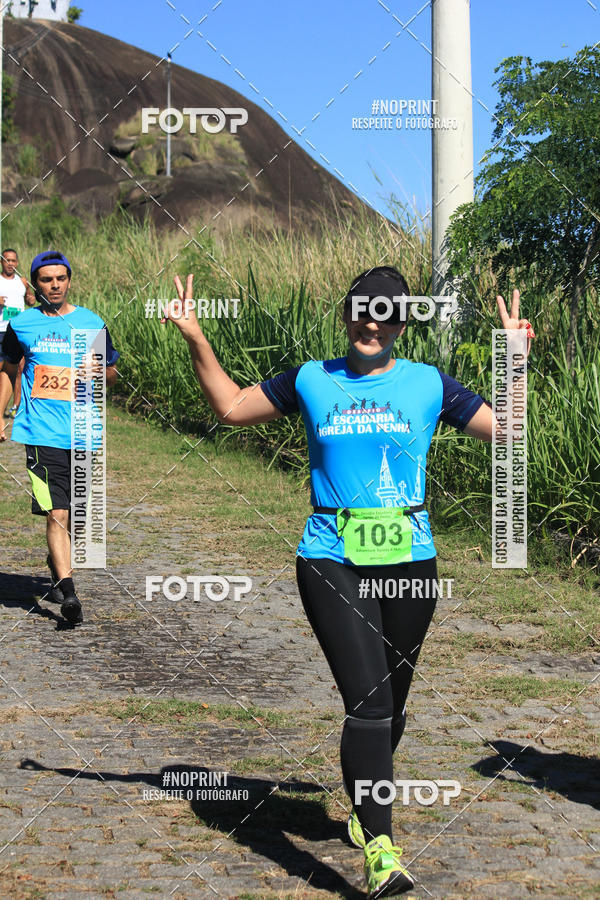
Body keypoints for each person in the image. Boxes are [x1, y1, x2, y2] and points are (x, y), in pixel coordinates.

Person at [163, 267, 533, 897]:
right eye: (362, 310)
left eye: (387, 313)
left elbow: (510, 432)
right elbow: (229, 407)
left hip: (411, 559)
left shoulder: (427, 384)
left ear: (402, 322)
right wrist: (196, 336)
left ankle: (365, 805)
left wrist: (515, 362)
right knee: (370, 701)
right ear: (347, 315)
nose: (372, 323)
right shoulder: (312, 377)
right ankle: (382, 850)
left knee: (392, 702)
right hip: (331, 555)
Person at [0, 251, 119, 625]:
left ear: (69, 280)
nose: (54, 285)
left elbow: (112, 373)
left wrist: (98, 369)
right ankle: (69, 595)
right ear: (36, 283)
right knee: (57, 511)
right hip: (40, 432)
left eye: (60, 279)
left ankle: (57, 569)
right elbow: (7, 371)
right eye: (47, 279)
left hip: (84, 431)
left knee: (76, 518)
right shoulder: (22, 325)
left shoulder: (92, 322)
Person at [0, 249, 35, 430]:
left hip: (19, 331)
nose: (10, 263)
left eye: (13, 260)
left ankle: (15, 406)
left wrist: (29, 293)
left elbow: (31, 301)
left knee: (20, 368)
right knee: (4, 370)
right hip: (0, 330)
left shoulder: (22, 282)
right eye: (7, 260)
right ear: (1, 262)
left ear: (17, 263)